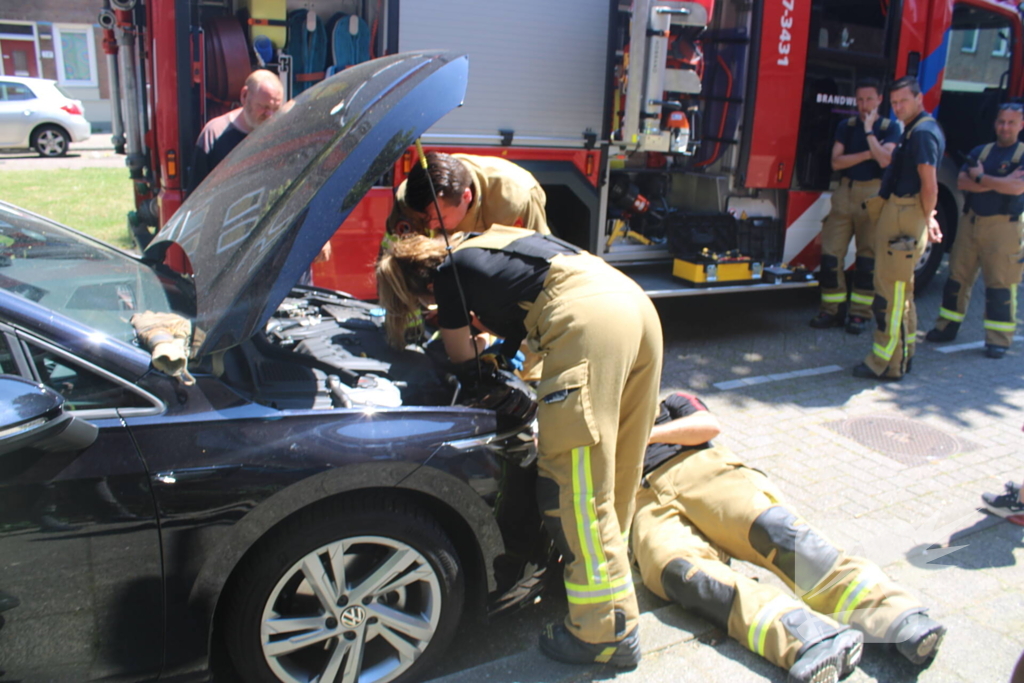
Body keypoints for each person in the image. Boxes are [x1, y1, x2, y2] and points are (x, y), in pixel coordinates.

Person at [376, 226, 663, 667]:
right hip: (634, 308)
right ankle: (602, 592)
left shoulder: (447, 276)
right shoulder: (481, 241)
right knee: (615, 472)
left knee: (572, 485)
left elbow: (462, 357)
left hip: (588, 324)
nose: (428, 310)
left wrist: (465, 353)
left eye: (423, 306)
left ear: (420, 289)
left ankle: (605, 633)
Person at [632, 392, 946, 683]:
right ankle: (805, 637)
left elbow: (707, 425)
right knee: (679, 573)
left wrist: (640, 435)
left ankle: (893, 615)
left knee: (777, 534)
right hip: (641, 502)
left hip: (699, 469)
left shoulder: (672, 402)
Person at [853, 75, 945, 381]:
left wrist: (927, 216)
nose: (898, 107)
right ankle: (904, 356)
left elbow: (930, 185)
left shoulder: (922, 135)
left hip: (904, 214)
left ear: (919, 98)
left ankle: (885, 364)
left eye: (903, 100)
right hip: (903, 211)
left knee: (889, 296)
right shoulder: (916, 130)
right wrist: (927, 217)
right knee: (901, 293)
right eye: (893, 103)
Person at [925, 102, 1024, 359]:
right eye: (1001, 121)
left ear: (1021, 125)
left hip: (1005, 227)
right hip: (971, 223)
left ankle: (998, 340)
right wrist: (1000, 183)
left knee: (1000, 284)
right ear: (995, 123)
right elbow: (961, 181)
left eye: (1011, 122)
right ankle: (946, 327)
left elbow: (1017, 189)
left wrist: (981, 178)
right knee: (957, 278)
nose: (1005, 127)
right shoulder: (981, 151)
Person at [811, 79, 900, 335]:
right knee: (830, 256)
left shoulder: (890, 127)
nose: (863, 105)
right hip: (844, 193)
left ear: (880, 99)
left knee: (867, 259)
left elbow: (885, 160)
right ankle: (832, 310)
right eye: (859, 100)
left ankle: (860, 315)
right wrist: (868, 153)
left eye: (869, 99)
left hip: (873, 194)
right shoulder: (846, 126)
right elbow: (836, 163)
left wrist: (870, 132)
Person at [383, 151, 549, 243]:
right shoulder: (409, 198)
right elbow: (396, 261)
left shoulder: (517, 199)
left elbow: (542, 258)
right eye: (424, 218)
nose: (431, 226)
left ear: (466, 196)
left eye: (439, 219)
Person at [187, 69, 284, 192]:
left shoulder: (281, 135)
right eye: (264, 107)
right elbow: (195, 199)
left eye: (276, 108)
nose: (270, 115)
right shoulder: (213, 135)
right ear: (244, 96)